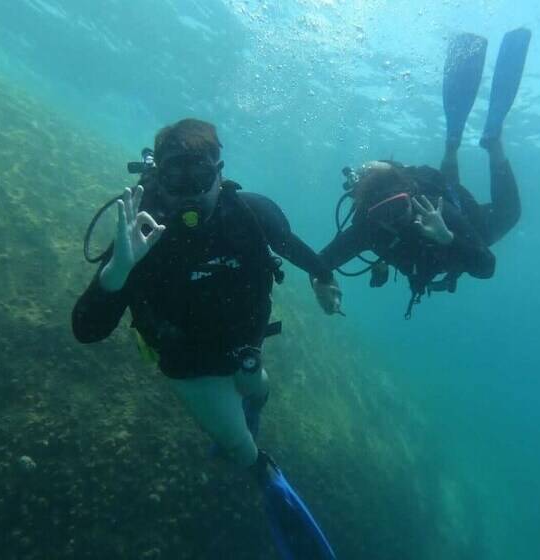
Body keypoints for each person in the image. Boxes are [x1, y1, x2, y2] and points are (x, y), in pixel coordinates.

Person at [72, 119, 339, 559]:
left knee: (259, 388)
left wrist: (324, 275)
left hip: (246, 349)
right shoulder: (139, 232)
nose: (191, 192)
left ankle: (250, 405)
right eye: (177, 177)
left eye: (202, 177)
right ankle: (264, 473)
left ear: (221, 173)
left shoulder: (252, 214)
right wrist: (115, 274)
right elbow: (86, 330)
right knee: (239, 446)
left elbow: (293, 246)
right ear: (157, 176)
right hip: (188, 365)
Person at [319, 29, 530, 318]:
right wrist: (321, 282)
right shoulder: (370, 228)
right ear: (373, 215)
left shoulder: (431, 211)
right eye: (386, 213)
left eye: (399, 207)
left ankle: (492, 143)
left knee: (509, 213)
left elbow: (486, 266)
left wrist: (447, 238)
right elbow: (322, 262)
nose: (401, 218)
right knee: (452, 188)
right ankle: (453, 145)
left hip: (468, 223)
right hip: (445, 206)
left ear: (410, 195)